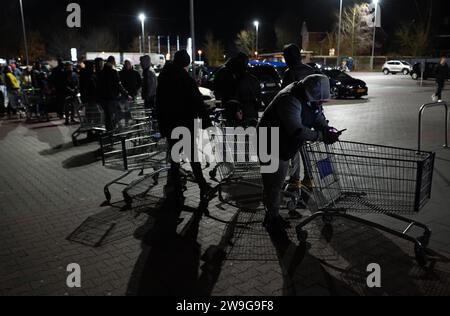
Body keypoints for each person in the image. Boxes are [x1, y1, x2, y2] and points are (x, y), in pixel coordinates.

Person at [258, 74, 341, 231]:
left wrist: (325, 128)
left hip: (285, 142)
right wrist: (321, 136)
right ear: (311, 95)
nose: (321, 103)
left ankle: (272, 214)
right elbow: (296, 130)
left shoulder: (308, 96)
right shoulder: (289, 100)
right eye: (320, 100)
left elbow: (317, 115)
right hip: (269, 142)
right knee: (274, 184)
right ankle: (272, 218)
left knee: (277, 182)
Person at [156, 50, 212, 203]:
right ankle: (202, 185)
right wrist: (206, 121)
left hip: (170, 123)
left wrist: (162, 125)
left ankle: (176, 188)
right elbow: (197, 101)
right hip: (185, 123)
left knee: (174, 158)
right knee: (193, 156)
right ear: (185, 64)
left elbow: (159, 103)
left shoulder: (164, 77)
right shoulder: (185, 79)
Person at [281, 44, 317, 194]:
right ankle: (309, 177)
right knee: (305, 149)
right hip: (309, 115)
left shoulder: (290, 73)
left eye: (285, 56)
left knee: (294, 148)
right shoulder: (310, 71)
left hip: (295, 115)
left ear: (290, 56)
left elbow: (284, 96)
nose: (285, 59)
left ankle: (295, 179)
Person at [97, 56, 130, 131]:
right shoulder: (113, 72)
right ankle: (112, 132)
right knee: (115, 114)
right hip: (112, 98)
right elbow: (118, 85)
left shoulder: (101, 72)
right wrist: (126, 94)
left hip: (103, 98)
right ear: (113, 62)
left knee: (108, 116)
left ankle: (109, 131)